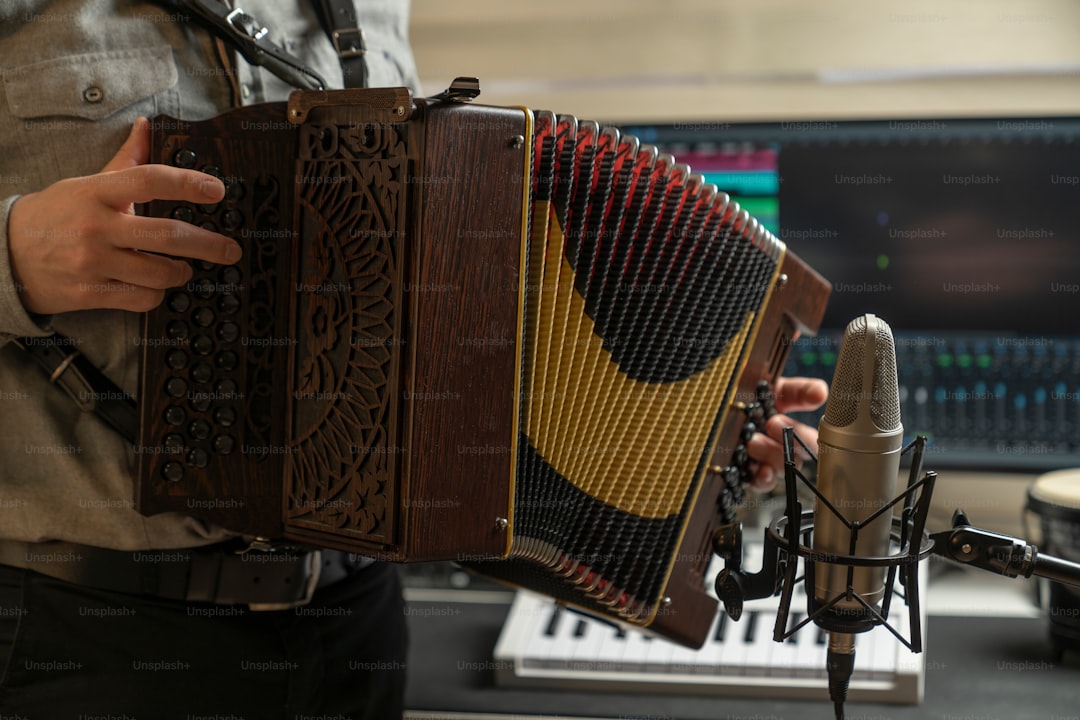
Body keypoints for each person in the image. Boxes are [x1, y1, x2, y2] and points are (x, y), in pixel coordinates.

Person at [0, 1, 825, 717]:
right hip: (87, 632)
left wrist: (695, 438)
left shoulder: (371, 4)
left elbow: (411, 322)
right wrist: (14, 255)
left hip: (355, 621)